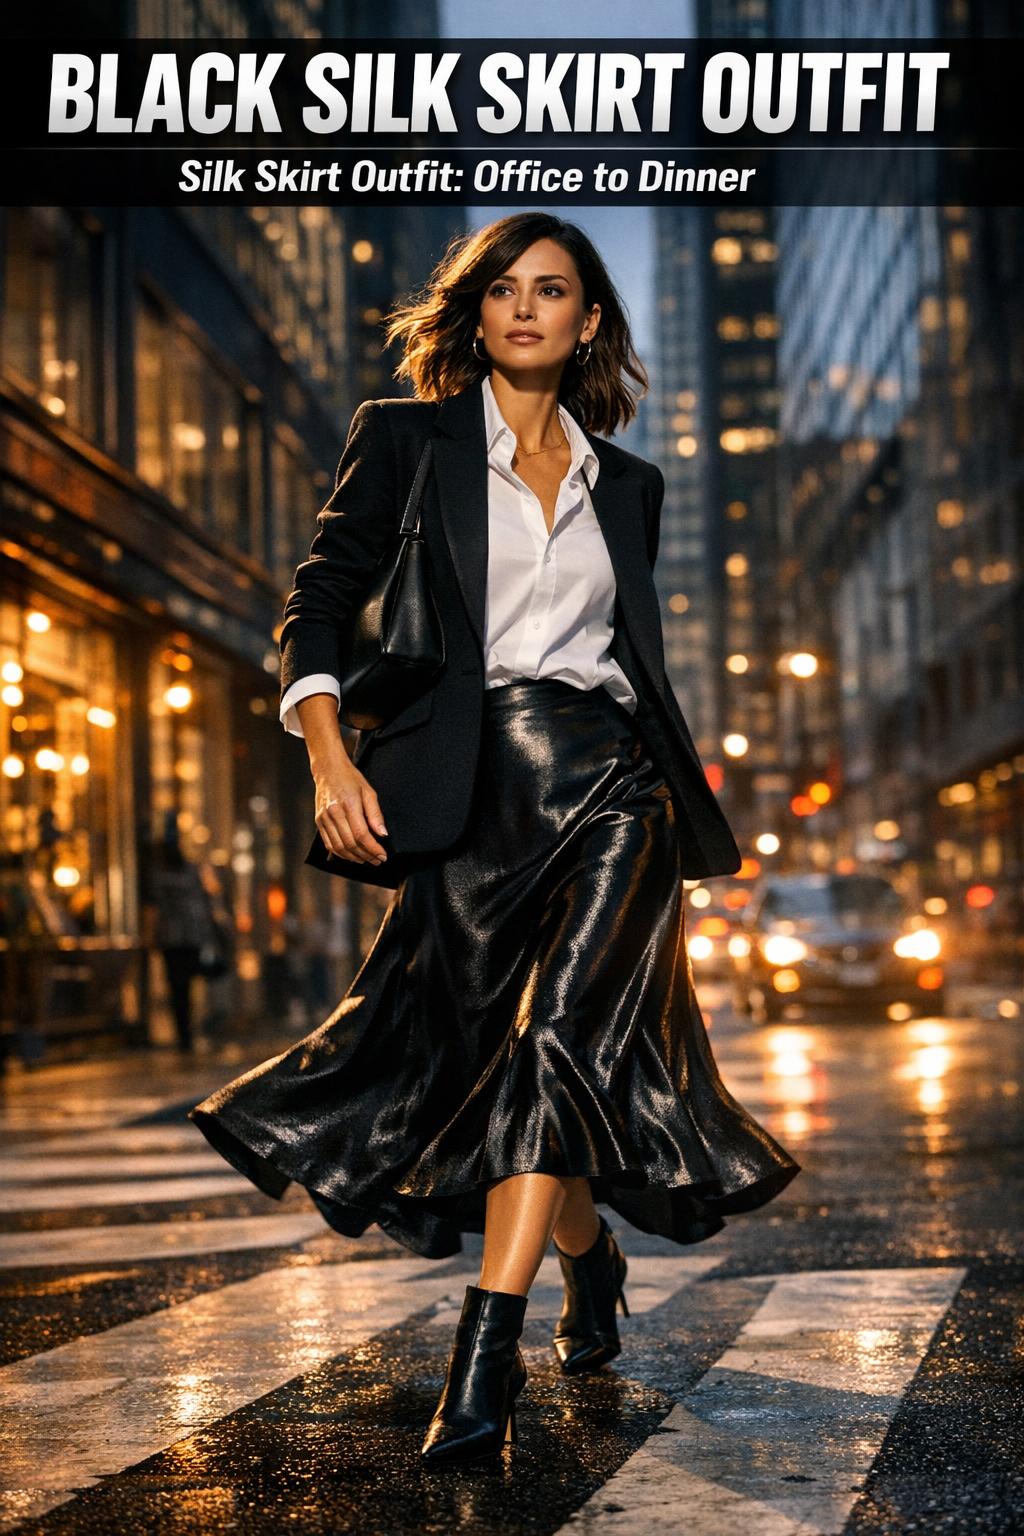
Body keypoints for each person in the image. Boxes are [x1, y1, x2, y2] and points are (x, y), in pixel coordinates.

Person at [189, 212, 800, 1464]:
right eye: (506, 289)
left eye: (556, 290)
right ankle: (588, 1260)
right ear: (475, 313)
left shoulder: (625, 482)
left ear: (587, 323)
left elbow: (629, 656)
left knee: (563, 1045)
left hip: (613, 789)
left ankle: (484, 1353)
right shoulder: (405, 440)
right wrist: (327, 752)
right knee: (489, 1062)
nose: (528, 308)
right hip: (469, 795)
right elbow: (316, 599)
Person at [141, 812, 218, 1052]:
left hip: (172, 937)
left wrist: (151, 934)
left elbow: (156, 907)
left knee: (176, 985)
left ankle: (183, 1032)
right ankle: (188, 1032)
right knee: (188, 984)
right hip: (191, 935)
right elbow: (205, 899)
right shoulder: (191, 871)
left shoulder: (159, 874)